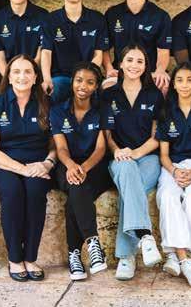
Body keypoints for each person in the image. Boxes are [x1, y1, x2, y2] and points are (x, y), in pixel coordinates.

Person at [0, 54, 56, 282]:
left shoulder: (46, 104)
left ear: (35, 77)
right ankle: (15, 258)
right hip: (2, 163)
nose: (22, 76)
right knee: (12, 191)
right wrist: (22, 170)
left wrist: (47, 163)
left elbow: (56, 145)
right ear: (9, 77)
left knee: (35, 191)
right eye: (16, 72)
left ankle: (30, 258)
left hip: (37, 163)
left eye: (27, 72)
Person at [101, 44, 164, 280]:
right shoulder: (109, 94)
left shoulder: (154, 95)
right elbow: (107, 135)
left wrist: (135, 153)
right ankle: (145, 236)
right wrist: (118, 151)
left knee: (128, 190)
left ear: (146, 66)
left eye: (140, 61)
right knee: (127, 172)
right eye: (129, 60)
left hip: (148, 158)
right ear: (120, 63)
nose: (134, 65)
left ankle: (126, 257)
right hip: (119, 159)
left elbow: (157, 137)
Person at [155, 62, 191, 288]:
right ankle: (184, 259)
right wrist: (175, 171)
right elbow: (163, 155)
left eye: (190, 80)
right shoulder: (165, 112)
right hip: (172, 165)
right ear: (173, 84)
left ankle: (173, 254)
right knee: (167, 196)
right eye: (179, 80)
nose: (185, 84)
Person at [51, 62, 112, 281]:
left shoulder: (102, 110)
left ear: (96, 86)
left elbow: (101, 148)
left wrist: (83, 168)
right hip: (66, 164)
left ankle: (74, 255)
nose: (83, 86)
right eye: (79, 80)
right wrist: (71, 165)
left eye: (90, 82)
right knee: (77, 186)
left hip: (95, 166)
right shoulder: (58, 111)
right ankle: (93, 243)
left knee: (77, 191)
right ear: (72, 82)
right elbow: (61, 148)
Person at [41, 0, 109, 104]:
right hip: (61, 77)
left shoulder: (97, 19)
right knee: (54, 89)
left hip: (88, 76)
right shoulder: (50, 20)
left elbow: (98, 54)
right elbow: (46, 52)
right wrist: (47, 78)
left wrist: (86, 77)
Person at [103, 0, 171, 93]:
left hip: (150, 72)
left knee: (164, 87)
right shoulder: (112, 14)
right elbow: (104, 48)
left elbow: (163, 51)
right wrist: (109, 68)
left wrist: (160, 70)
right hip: (121, 72)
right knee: (107, 88)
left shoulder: (160, 16)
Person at [0, 0, 49, 76]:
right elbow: (0, 57)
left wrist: (28, 74)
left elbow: (42, 53)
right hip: (6, 72)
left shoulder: (43, 16)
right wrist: (10, 78)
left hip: (34, 71)